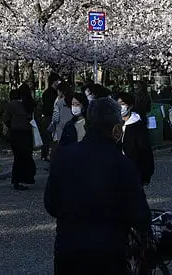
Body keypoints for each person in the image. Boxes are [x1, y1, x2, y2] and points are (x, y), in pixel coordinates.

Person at [44, 97, 152, 274]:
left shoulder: (63, 157)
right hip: (108, 252)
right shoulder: (122, 164)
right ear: (116, 128)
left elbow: (51, 204)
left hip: (68, 249)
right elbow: (139, 214)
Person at [4, 84, 37, 190]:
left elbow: (6, 118)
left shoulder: (12, 104)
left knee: (17, 157)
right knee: (26, 156)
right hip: (27, 133)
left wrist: (11, 125)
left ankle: (17, 179)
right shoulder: (30, 104)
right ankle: (26, 178)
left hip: (15, 133)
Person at [119, 92, 154, 185]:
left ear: (130, 106)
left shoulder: (138, 126)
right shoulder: (113, 124)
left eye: (122, 104)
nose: (119, 107)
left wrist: (146, 175)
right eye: (117, 104)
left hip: (134, 171)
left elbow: (146, 151)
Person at [40, 74, 62, 163]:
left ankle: (44, 154)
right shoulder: (53, 93)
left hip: (46, 116)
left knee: (46, 136)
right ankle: (49, 155)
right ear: (54, 81)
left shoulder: (46, 92)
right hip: (51, 116)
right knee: (51, 137)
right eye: (57, 80)